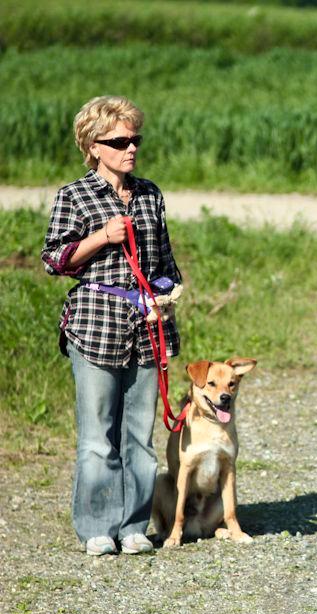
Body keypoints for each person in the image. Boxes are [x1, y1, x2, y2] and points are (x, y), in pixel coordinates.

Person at [41, 96, 183, 556]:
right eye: (119, 141)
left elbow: (164, 262)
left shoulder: (149, 194)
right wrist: (101, 236)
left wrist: (164, 294)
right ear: (93, 145)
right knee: (98, 434)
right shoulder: (73, 196)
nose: (131, 148)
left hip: (146, 325)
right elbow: (54, 259)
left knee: (139, 434)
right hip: (95, 324)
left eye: (135, 139)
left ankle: (134, 525)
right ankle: (97, 526)